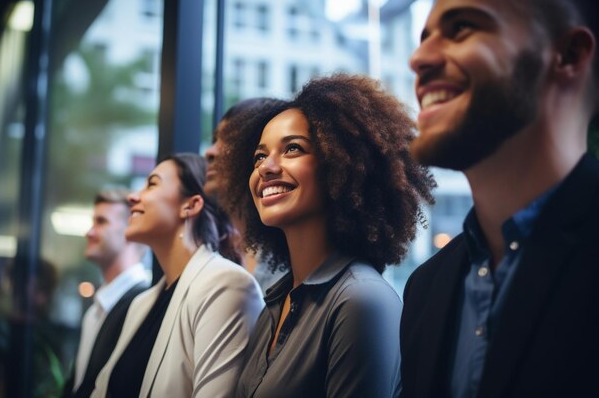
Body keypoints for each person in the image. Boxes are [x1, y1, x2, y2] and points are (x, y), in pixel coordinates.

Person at [400, 0, 599, 397]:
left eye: (462, 28)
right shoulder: (424, 289)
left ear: (569, 55)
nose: (418, 59)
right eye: (425, 37)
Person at [218, 74, 435, 397]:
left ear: (343, 165)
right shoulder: (276, 303)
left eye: (292, 149)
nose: (266, 167)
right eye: (259, 156)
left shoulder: (362, 301)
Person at [91, 153, 264, 397]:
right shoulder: (141, 304)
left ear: (190, 205)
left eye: (152, 183)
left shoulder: (227, 285)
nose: (133, 197)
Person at [64, 189, 150, 398]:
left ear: (131, 230)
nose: (89, 232)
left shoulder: (144, 304)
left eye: (101, 222)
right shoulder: (96, 309)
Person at [205, 97, 291, 293]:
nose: (209, 152)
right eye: (214, 140)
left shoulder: (291, 260)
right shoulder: (211, 248)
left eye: (228, 140)